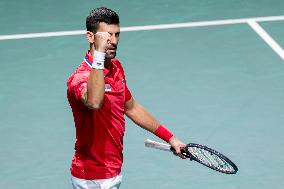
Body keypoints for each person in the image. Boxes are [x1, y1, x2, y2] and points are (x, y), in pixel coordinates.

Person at [67, 7, 186, 189]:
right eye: (107, 37)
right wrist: (98, 54)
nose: (113, 41)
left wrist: (170, 138)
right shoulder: (80, 79)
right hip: (91, 178)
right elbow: (94, 101)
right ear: (91, 37)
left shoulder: (116, 68)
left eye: (117, 35)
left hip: (112, 171)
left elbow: (131, 107)